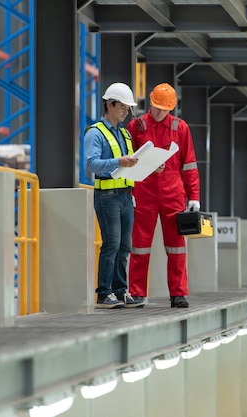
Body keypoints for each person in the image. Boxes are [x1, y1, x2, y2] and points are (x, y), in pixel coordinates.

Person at [127, 83, 201, 308]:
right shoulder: (136, 126)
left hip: (173, 193)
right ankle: (137, 293)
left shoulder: (181, 128)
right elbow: (128, 160)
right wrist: (129, 190)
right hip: (144, 192)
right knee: (140, 245)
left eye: (164, 109)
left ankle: (178, 293)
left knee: (176, 246)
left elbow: (189, 164)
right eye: (156, 107)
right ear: (150, 102)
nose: (159, 113)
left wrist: (194, 196)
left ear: (172, 109)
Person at [84, 82, 146, 309]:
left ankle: (120, 291)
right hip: (108, 196)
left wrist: (148, 165)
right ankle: (104, 293)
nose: (126, 112)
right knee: (112, 244)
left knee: (125, 246)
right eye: (122, 107)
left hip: (126, 196)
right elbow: (91, 164)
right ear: (110, 105)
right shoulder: (95, 133)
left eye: (128, 108)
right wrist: (117, 162)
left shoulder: (125, 134)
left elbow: (129, 165)